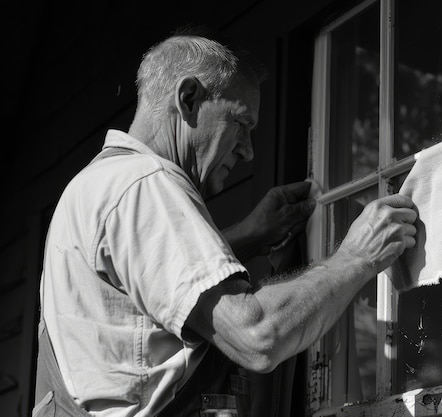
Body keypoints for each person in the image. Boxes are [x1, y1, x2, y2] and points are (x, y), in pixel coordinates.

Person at [33, 29, 418, 417]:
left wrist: (250, 235)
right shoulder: (145, 182)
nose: (249, 151)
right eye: (241, 123)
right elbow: (257, 334)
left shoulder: (98, 183)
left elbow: (148, 287)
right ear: (189, 100)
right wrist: (355, 257)